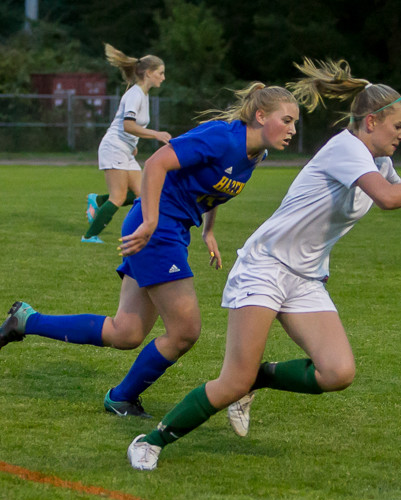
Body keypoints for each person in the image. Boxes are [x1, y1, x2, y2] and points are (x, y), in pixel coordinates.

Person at [125, 58, 401, 470]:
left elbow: (393, 189)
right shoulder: (346, 149)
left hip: (306, 276)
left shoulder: (373, 159)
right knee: (231, 379)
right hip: (266, 267)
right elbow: (387, 198)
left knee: (337, 372)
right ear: (370, 123)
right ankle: (151, 441)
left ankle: (256, 380)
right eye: (398, 127)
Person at [0, 83, 301, 419]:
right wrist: (150, 219)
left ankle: (25, 320)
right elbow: (157, 163)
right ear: (260, 116)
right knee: (185, 331)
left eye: (294, 123)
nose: (292, 130)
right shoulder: (223, 138)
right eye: (286, 120)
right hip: (156, 230)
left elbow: (213, 187)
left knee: (125, 332)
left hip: (170, 230)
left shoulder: (256, 154)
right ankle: (121, 397)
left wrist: (209, 230)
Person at [83, 43, 173, 244]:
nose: (163, 77)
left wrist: (133, 144)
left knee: (142, 195)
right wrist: (156, 134)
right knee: (118, 196)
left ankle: (97, 201)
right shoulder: (135, 94)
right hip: (113, 147)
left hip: (124, 149)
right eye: (161, 73)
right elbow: (127, 126)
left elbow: (131, 128)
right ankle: (89, 236)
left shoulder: (143, 94)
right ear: (149, 73)